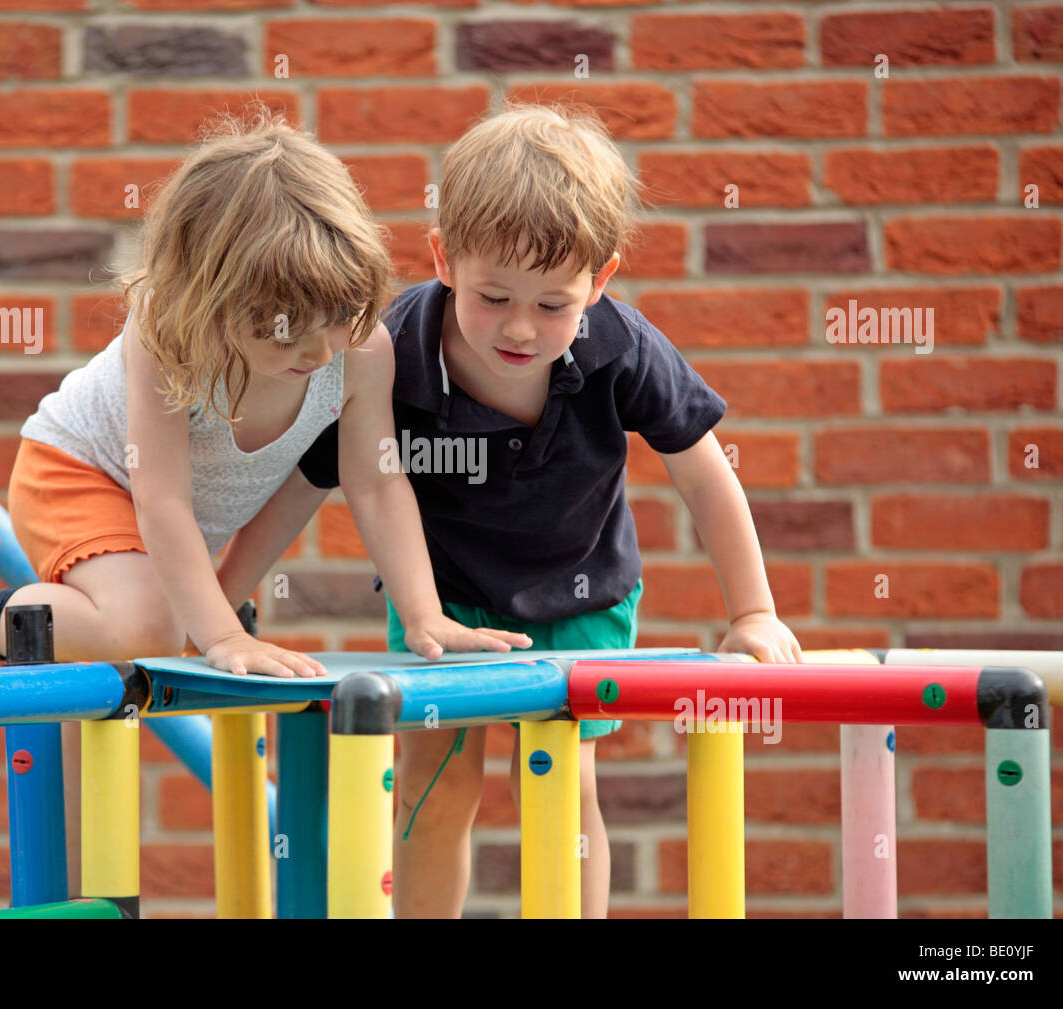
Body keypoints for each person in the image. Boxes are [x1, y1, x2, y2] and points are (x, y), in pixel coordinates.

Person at [0, 108, 528, 758]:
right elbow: (162, 497)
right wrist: (221, 632)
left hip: (184, 523)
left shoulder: (361, 351)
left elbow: (377, 482)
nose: (322, 351)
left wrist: (424, 615)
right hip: (79, 473)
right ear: (215, 302)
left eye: (339, 317)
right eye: (285, 328)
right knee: (148, 626)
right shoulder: (169, 340)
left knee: (154, 639)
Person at [296, 102, 803, 917]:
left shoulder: (620, 346)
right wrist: (222, 599)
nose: (522, 329)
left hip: (583, 590)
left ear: (599, 284)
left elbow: (706, 476)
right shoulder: (396, 349)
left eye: (553, 304)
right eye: (494, 296)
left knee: (563, 787)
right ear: (444, 260)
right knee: (435, 781)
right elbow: (318, 476)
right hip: (445, 596)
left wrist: (753, 611)